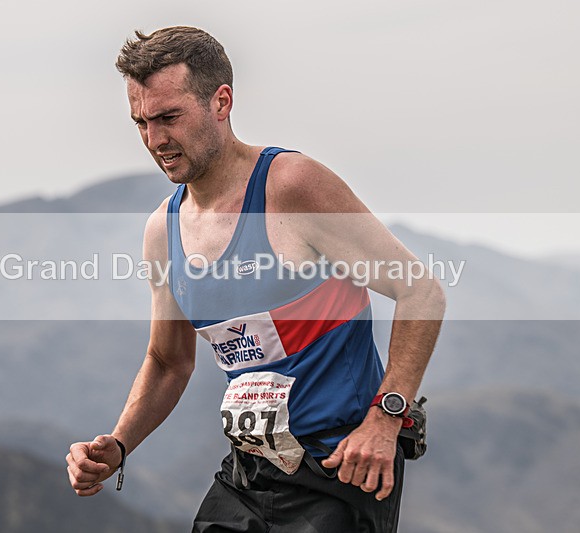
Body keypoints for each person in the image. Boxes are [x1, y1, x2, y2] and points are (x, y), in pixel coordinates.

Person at [66, 26, 446, 532]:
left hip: (341, 470)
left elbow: (420, 291)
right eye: (141, 122)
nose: (155, 140)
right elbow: (167, 361)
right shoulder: (163, 229)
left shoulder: (291, 186)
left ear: (220, 102)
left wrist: (386, 417)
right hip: (250, 471)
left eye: (168, 118)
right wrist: (117, 444)